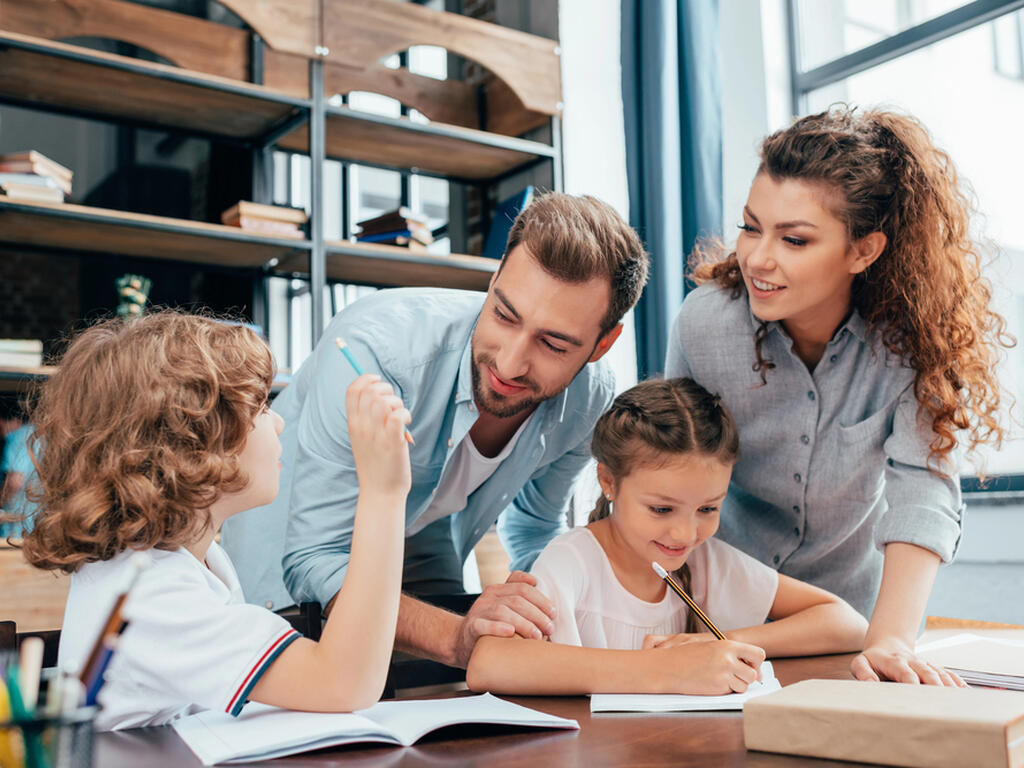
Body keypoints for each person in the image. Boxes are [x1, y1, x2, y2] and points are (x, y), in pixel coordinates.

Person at [223, 192, 650, 670]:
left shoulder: (591, 396)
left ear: (601, 344)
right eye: (504, 315)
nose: (508, 363)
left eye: (553, 343)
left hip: (423, 543)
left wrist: (553, 619)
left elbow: (535, 528)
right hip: (290, 568)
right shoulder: (377, 351)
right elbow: (316, 558)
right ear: (493, 281)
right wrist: (458, 637)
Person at [665, 106, 1010, 686]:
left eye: (794, 239)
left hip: (846, 632)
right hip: (713, 625)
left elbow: (922, 490)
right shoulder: (704, 325)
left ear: (863, 251)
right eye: (752, 227)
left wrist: (893, 638)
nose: (758, 258)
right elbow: (665, 466)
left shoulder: (911, 346)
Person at [18, 312, 412, 730]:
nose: (278, 421)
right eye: (260, 407)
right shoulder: (151, 594)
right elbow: (343, 682)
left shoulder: (191, 561)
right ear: (191, 445)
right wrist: (382, 493)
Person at [466, 378, 869, 695]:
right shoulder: (573, 560)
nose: (686, 533)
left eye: (708, 509)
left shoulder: (705, 559)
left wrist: (717, 644)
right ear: (609, 481)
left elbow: (847, 623)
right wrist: (661, 671)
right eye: (661, 509)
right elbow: (489, 663)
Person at [1, 397, 35, 536]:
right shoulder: (42, 434)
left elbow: (15, 482)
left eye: (1, 426)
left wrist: (1, 502)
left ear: (16, 420)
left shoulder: (17, 437)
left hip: (17, 525)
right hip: (37, 522)